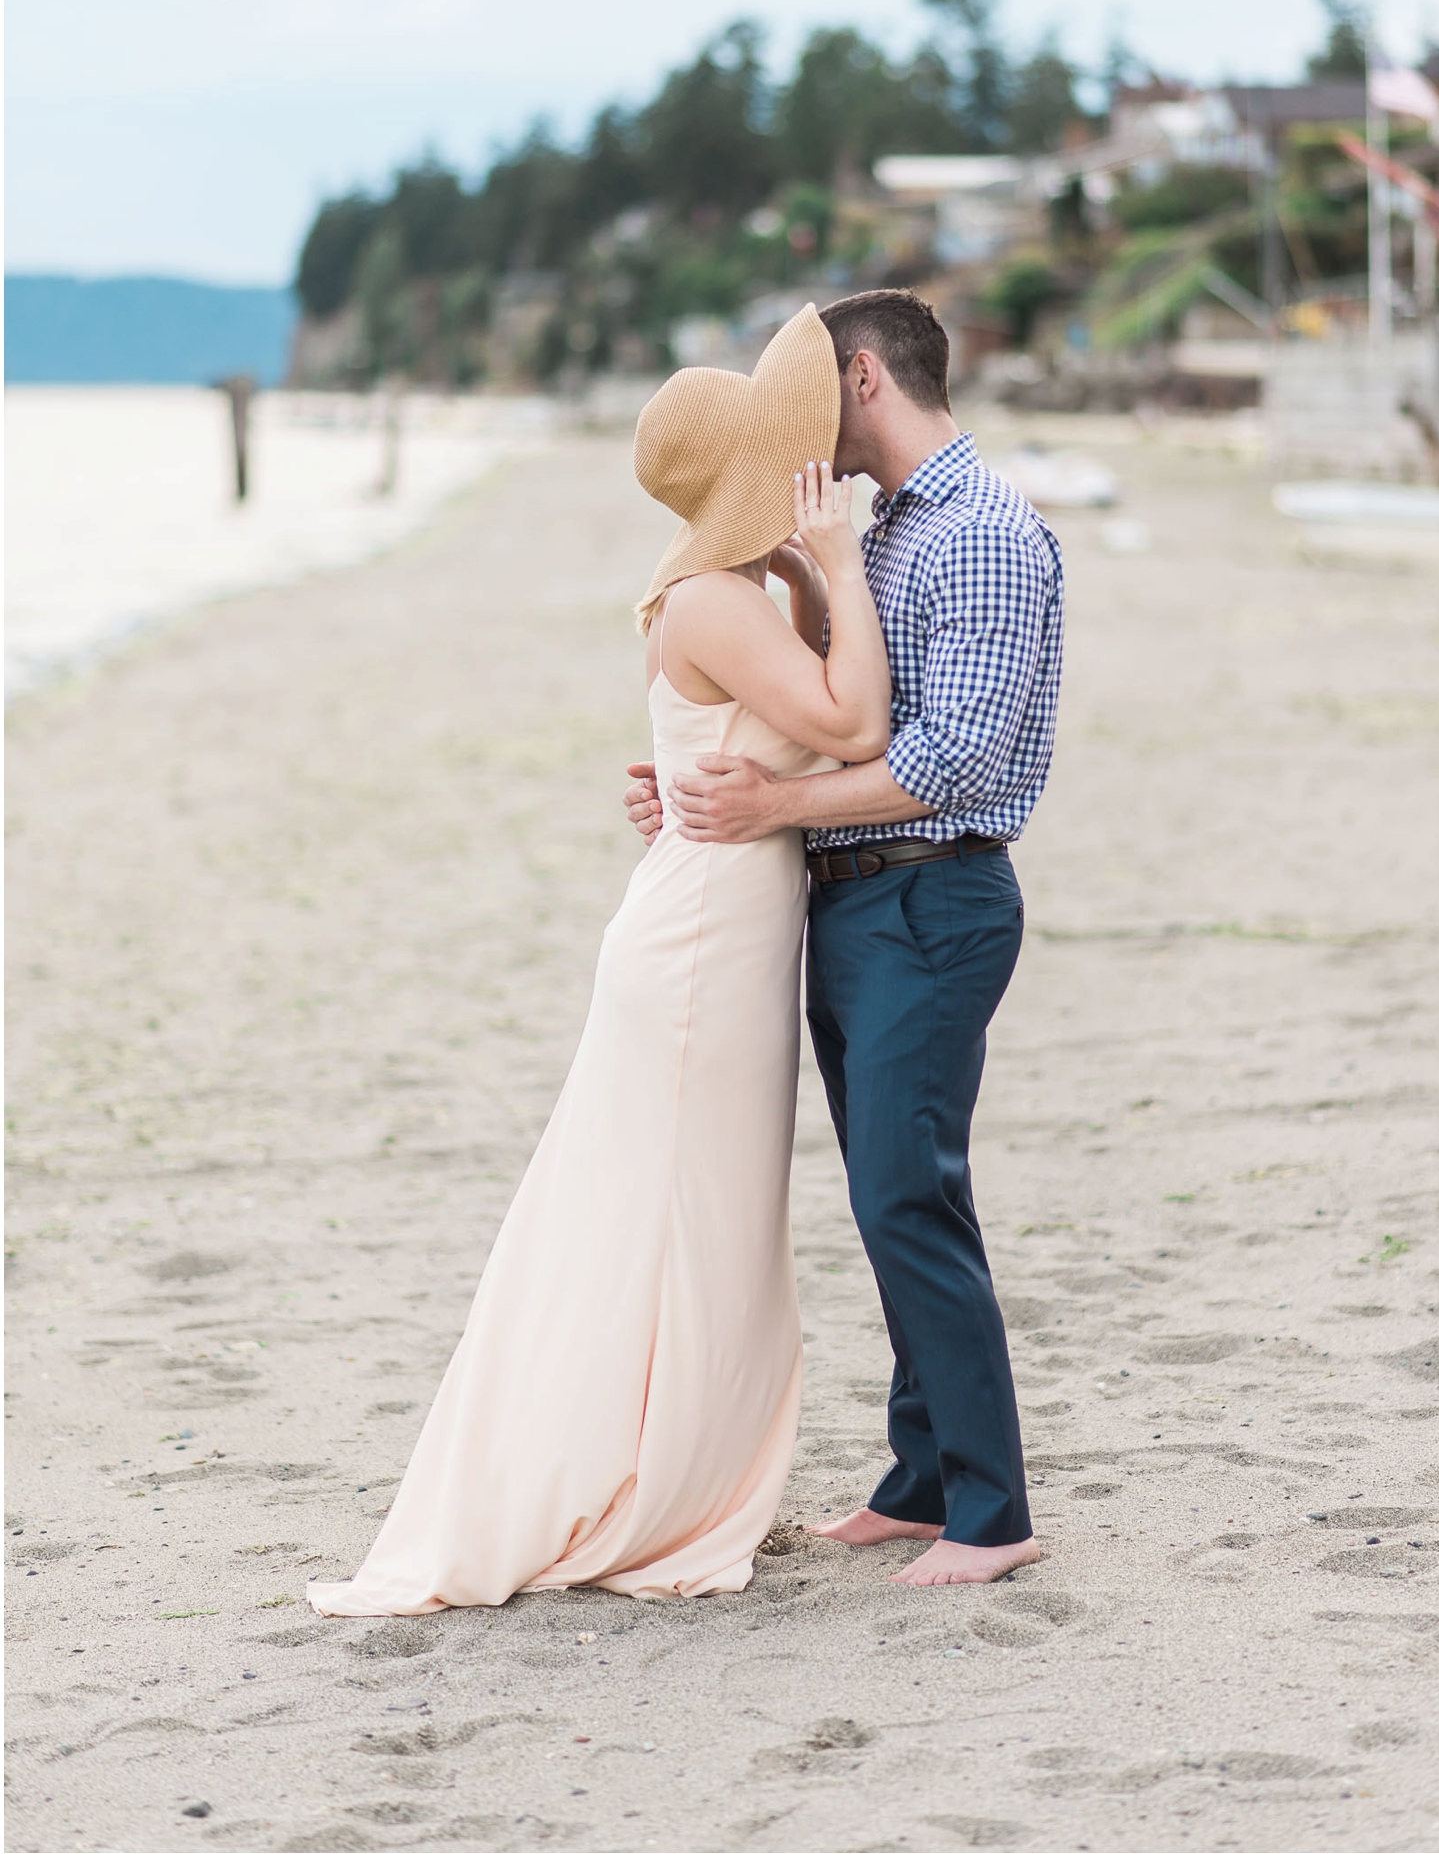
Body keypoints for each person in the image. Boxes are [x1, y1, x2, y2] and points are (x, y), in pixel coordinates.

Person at [309, 304, 890, 1616]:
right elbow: (852, 720)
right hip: (700, 947)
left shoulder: (738, 593)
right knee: (670, 1218)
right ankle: (642, 1481)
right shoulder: (710, 601)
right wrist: (841, 566)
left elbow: (765, 733)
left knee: (707, 1219)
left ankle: (669, 1463)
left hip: (724, 923)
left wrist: (801, 574)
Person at [625, 288, 1064, 1587]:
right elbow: (814, 712)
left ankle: (992, 1512)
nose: (799, 426)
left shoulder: (980, 534)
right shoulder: (882, 531)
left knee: (905, 1192)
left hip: (932, 898)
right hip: (853, 898)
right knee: (891, 1200)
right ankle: (921, 1476)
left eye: (814, 393)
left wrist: (776, 802)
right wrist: (707, 774)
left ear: (863, 382)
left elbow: (954, 760)